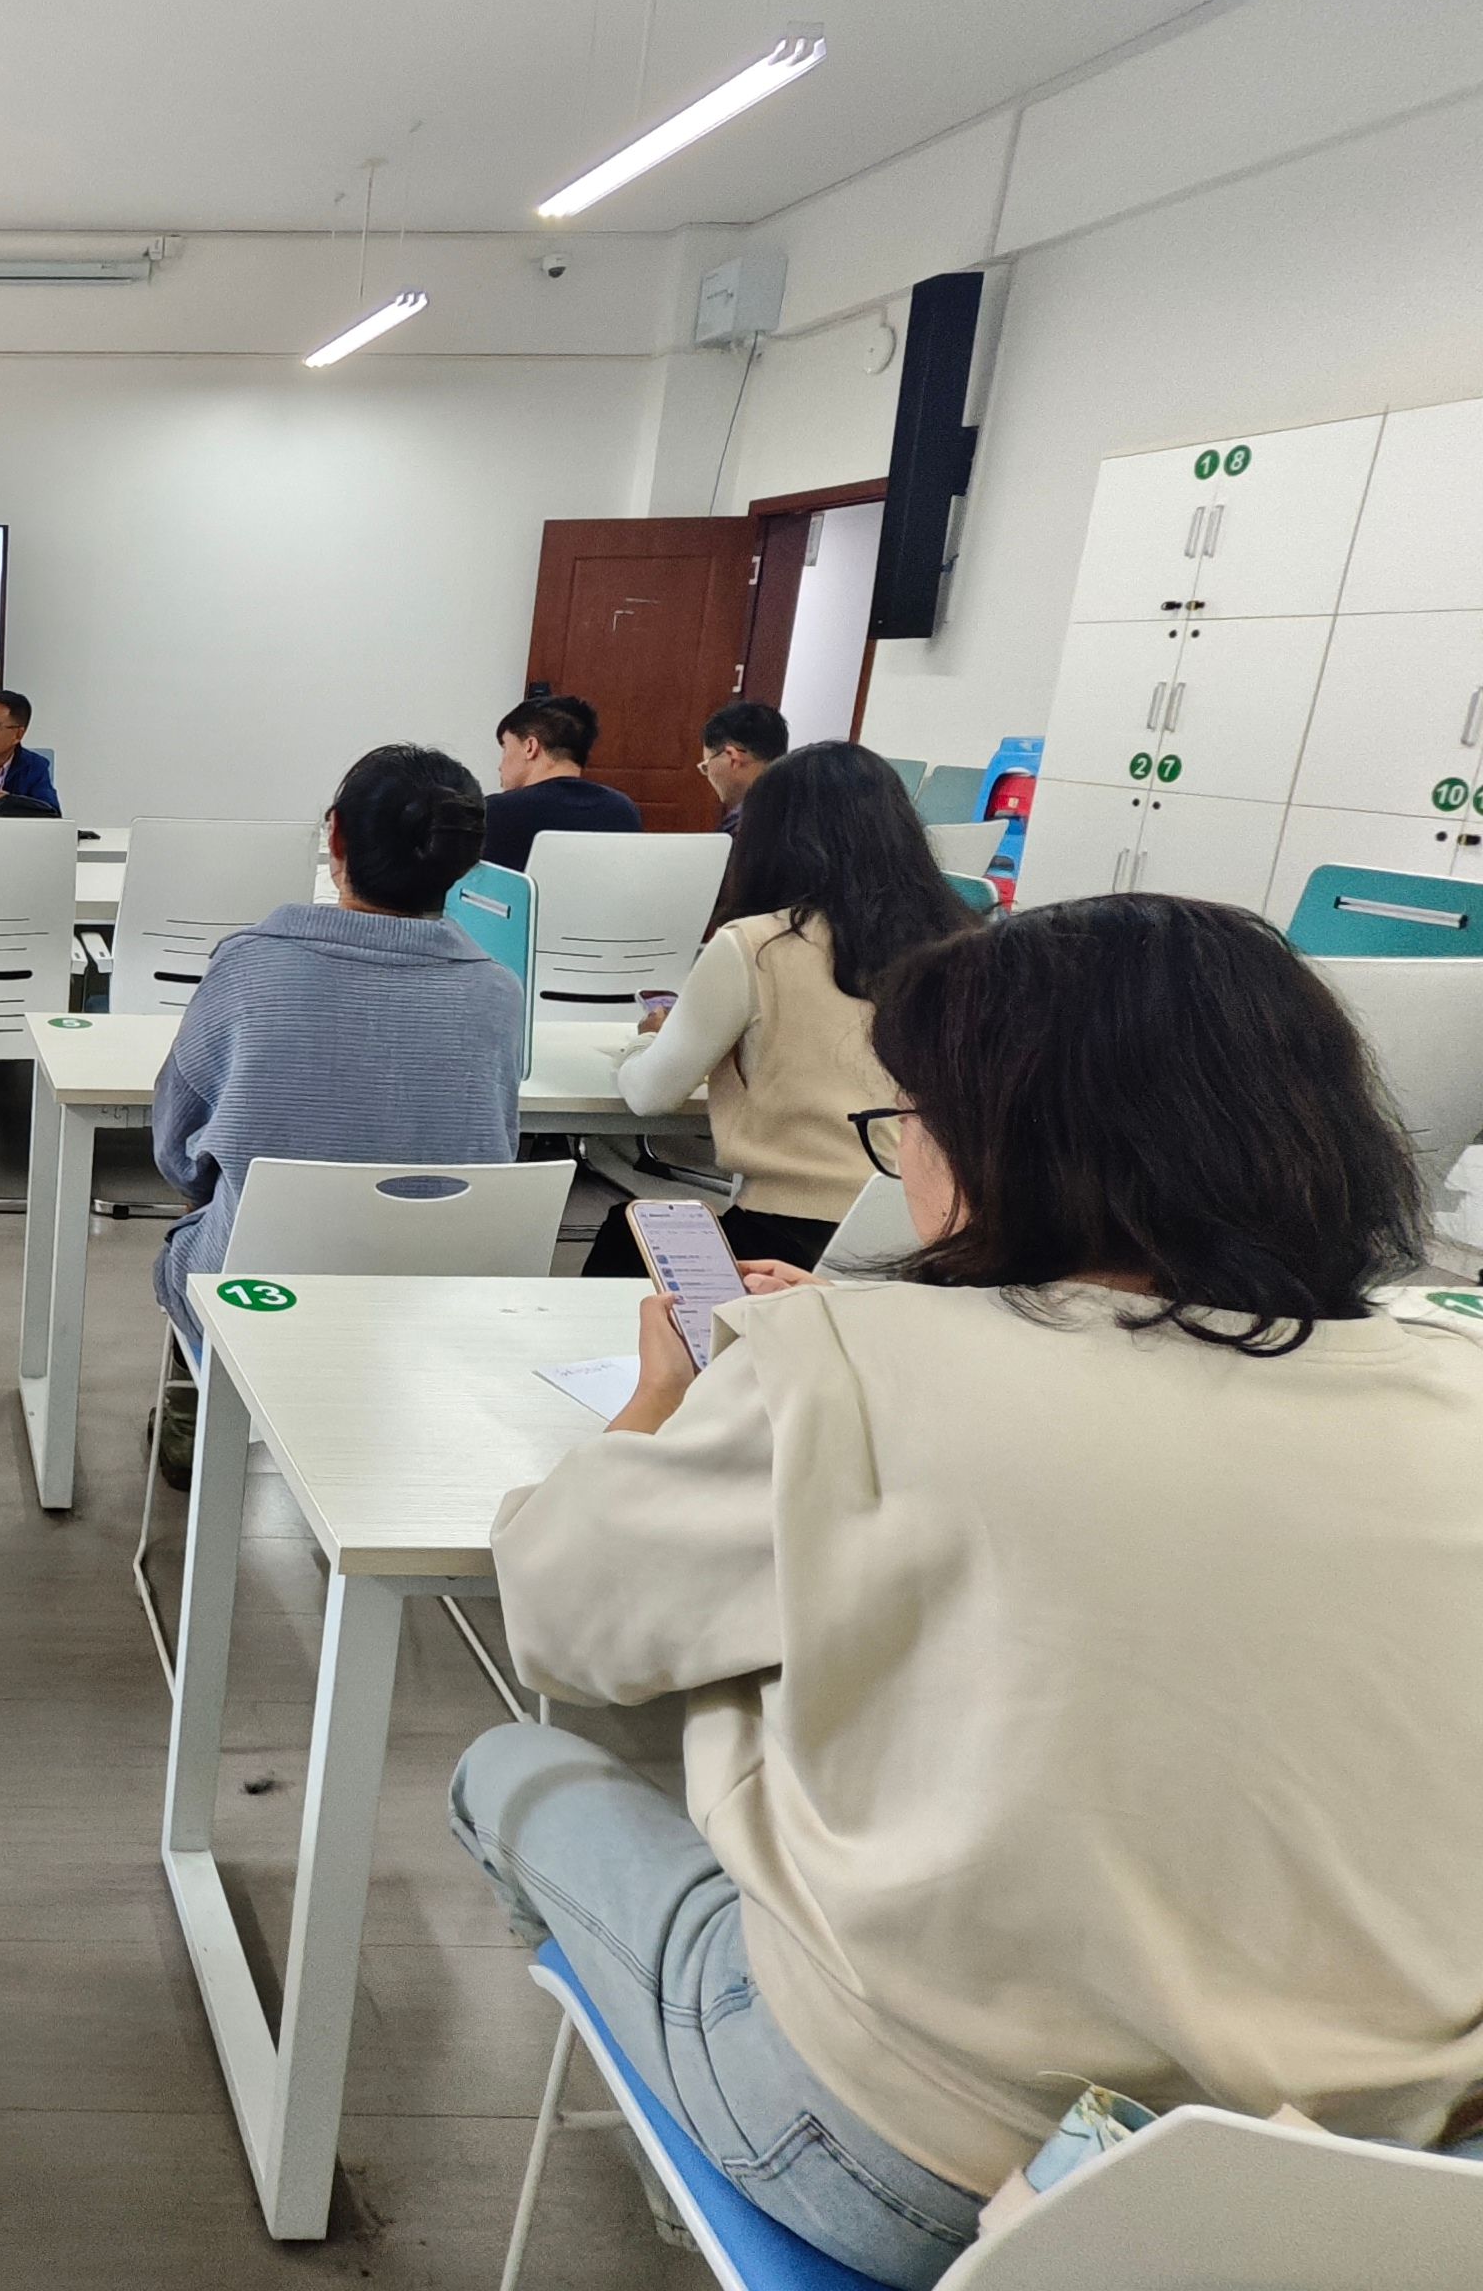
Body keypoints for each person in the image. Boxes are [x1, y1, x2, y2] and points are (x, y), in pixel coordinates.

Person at [459, 896, 1483, 2288]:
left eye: (912, 1120)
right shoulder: (1453, 1389)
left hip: (928, 2162)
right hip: (1380, 2199)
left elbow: (563, 1617)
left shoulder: (841, 1362)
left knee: (511, 1771)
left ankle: (692, 2176)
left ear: (1006, 1144)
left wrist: (663, 1396)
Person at [147, 745, 525, 1465]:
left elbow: (178, 1150)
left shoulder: (250, 965)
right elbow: (494, 1152)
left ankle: (198, 1431)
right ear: (465, 862)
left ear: (336, 837)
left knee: (204, 1222)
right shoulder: (498, 993)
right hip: (437, 1299)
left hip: (261, 1298)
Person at [584, 740, 971, 1274]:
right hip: (932, 1238)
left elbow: (651, 1094)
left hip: (785, 1235)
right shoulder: (964, 943)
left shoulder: (756, 945)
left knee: (628, 1236)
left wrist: (646, 1040)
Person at [478, 693, 639, 870]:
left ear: (530, 747)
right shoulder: (622, 810)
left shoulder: (495, 812)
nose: (500, 766)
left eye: (505, 748)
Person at [697, 697, 788, 833]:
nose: (708, 775)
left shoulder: (742, 827)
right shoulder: (808, 807)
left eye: (706, 767)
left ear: (732, 757)